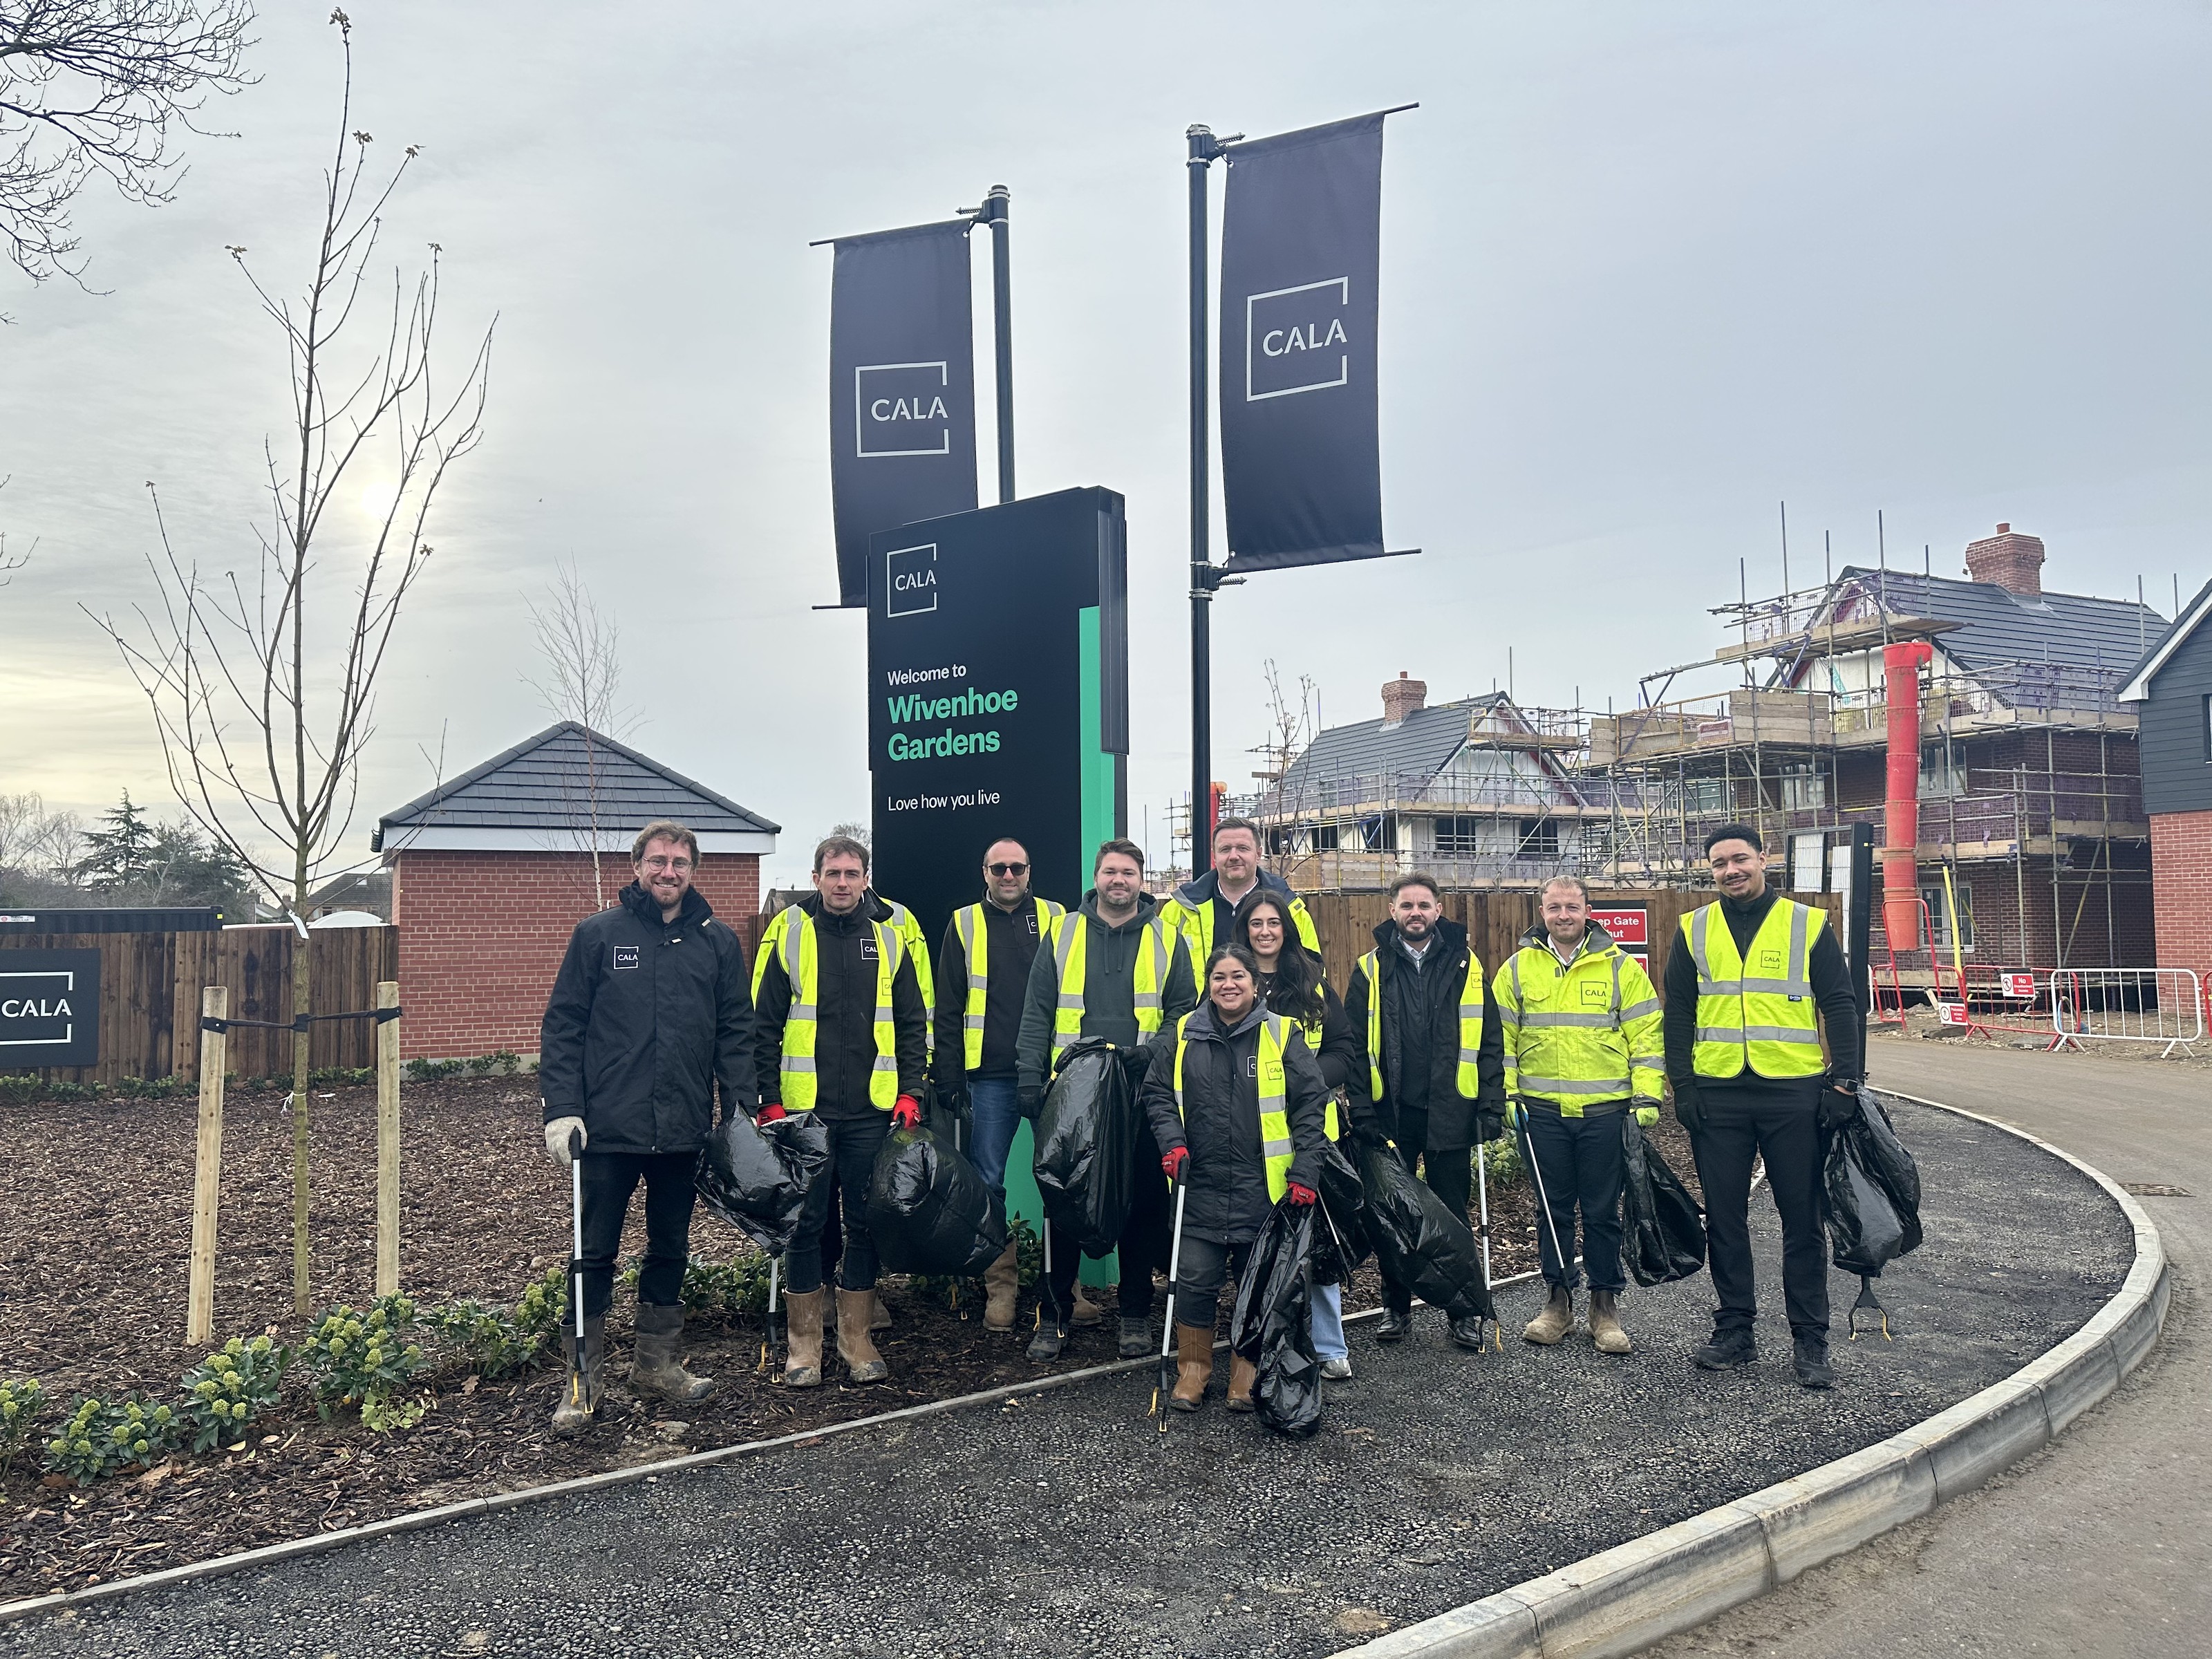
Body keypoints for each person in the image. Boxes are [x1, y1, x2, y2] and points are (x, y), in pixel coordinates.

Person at [539, 821, 756, 1436]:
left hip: (683, 1129)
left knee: (670, 1249)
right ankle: (584, 1381)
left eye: (680, 862)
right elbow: (564, 1026)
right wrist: (562, 1109)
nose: (669, 871)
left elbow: (736, 1034)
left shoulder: (716, 945)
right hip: (607, 1131)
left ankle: (657, 1366)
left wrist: (737, 1116)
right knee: (593, 1253)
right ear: (637, 866)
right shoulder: (598, 936)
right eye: (658, 861)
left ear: (693, 870)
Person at [1664, 824, 1862, 1389]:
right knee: (1725, 1218)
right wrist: (1686, 1087)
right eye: (1720, 863)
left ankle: (1810, 1338)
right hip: (1719, 1094)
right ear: (1710, 870)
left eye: (1740, 859)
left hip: (1793, 1094)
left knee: (1802, 1221)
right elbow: (1678, 1011)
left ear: (1764, 859)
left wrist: (1844, 1082)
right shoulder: (1694, 929)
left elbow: (1841, 1004)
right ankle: (1736, 1330)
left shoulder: (1806, 923)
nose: (1731, 870)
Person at [751, 834, 928, 1388]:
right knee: (806, 1226)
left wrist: (912, 1091)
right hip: (805, 1115)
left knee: (864, 1224)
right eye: (834, 873)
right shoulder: (791, 936)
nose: (843, 883)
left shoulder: (889, 939)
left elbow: (912, 1026)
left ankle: (856, 1337)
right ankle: (806, 1345)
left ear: (866, 878)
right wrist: (768, 1100)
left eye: (853, 873)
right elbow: (764, 1027)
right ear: (817, 876)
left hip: (872, 1112)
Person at [1017, 838, 1197, 1362]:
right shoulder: (1062, 933)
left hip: (1140, 1093)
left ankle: (1136, 1314)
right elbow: (1037, 1014)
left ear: (1142, 881)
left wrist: (1156, 1052)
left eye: (1129, 873)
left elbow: (1184, 1014)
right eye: (1111, 871)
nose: (1119, 880)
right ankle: (1053, 1317)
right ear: (1096, 877)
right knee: (1063, 1204)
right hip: (1072, 1098)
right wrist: (1031, 1081)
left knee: (1142, 1204)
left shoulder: (1168, 938)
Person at [1142, 944, 1333, 1412]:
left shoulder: (1282, 1034)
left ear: (1256, 983)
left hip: (1263, 1193)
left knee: (1259, 1285)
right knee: (1193, 1279)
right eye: (1219, 977)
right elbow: (1157, 1093)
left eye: (1238, 977)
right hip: (1200, 1185)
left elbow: (1312, 1105)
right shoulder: (1184, 1032)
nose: (1229, 985)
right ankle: (1193, 1371)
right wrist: (1172, 1144)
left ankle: (1246, 1375)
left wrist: (1307, 1168)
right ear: (1208, 985)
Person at [1494, 874, 1665, 1355]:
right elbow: (1500, 1039)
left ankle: (1605, 1308)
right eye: (1554, 908)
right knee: (1551, 1213)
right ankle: (1557, 1304)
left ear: (1588, 911)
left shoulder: (1619, 968)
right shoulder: (1517, 969)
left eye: (1571, 907)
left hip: (1605, 1112)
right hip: (1541, 1111)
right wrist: (1507, 1095)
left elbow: (1647, 1035)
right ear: (1542, 912)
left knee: (1601, 1212)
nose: (1563, 915)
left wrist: (1647, 1097)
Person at [1342, 872, 1507, 1349]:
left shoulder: (1467, 965)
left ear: (1438, 910)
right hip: (1389, 1115)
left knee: (1452, 1214)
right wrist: (1362, 1111)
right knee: (1394, 1216)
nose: (1415, 912)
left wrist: (1490, 1105)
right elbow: (1354, 1047)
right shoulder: (1369, 969)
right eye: (1406, 905)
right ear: (1392, 911)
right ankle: (1396, 1308)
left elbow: (1491, 1042)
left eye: (1424, 905)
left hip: (1451, 1112)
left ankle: (1461, 1311)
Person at [933, 836, 1066, 1331]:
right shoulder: (963, 922)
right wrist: (948, 1075)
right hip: (989, 1077)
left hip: (1052, 1073)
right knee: (988, 1181)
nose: (1008, 876)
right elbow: (947, 1007)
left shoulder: (1057, 917)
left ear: (1030, 871)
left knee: (1063, 1179)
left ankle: (1063, 1289)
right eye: (998, 869)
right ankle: (1001, 1290)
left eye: (1016, 868)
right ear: (984, 873)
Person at [1230, 888, 1359, 1380]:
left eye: (1273, 923)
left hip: (1309, 1135)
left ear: (1287, 928)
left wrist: (1296, 1082)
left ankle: (1329, 1345)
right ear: (1244, 930)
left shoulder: (1313, 983)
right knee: (1261, 1245)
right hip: (1246, 1136)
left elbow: (1342, 1052)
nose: (1265, 932)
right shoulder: (1229, 979)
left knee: (1315, 1239)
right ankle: (1268, 1341)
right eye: (1255, 924)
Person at [1160, 816, 1321, 967]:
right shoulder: (1178, 912)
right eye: (1225, 849)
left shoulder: (1291, 910)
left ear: (1258, 854)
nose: (1234, 856)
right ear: (1214, 856)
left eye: (1243, 848)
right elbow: (1159, 970)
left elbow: (1312, 974)